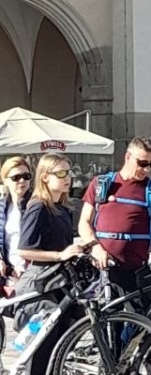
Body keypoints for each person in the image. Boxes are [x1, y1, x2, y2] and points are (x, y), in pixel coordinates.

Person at [78, 134, 151, 368]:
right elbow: (84, 223)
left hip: (138, 273)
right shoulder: (102, 184)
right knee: (110, 336)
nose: (146, 169)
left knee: (150, 334)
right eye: (142, 163)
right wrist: (95, 247)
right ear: (127, 157)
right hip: (105, 273)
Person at [17, 153, 85, 374]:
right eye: (61, 173)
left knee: (61, 340)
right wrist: (60, 255)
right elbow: (24, 249)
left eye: (70, 172)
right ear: (45, 177)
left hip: (60, 281)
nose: (68, 178)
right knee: (42, 346)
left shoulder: (64, 208)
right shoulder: (38, 207)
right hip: (41, 283)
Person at [1, 155, 32, 292]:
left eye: (26, 176)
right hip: (8, 273)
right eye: (16, 177)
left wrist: (24, 264)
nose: (22, 181)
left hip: (31, 272)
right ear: (5, 180)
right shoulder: (2, 207)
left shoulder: (36, 206)